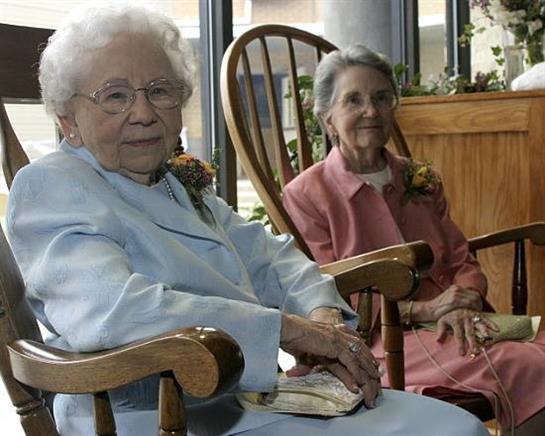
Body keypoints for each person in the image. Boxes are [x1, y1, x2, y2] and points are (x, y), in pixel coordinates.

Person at [6, 4, 488, 435]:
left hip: (238, 399)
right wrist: (289, 330)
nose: (144, 113)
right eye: (114, 96)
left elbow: (271, 254)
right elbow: (113, 310)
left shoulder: (172, 179)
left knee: (454, 424)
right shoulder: (51, 186)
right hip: (147, 414)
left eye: (160, 91)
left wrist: (320, 315)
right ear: (68, 118)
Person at [282, 43, 545, 435]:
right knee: (528, 365)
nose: (370, 110)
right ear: (328, 118)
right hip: (383, 339)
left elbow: (461, 259)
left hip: (454, 324)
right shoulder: (307, 194)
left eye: (382, 98)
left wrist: (462, 303)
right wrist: (428, 310)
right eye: (353, 100)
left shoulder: (419, 176)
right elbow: (327, 291)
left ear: (394, 107)